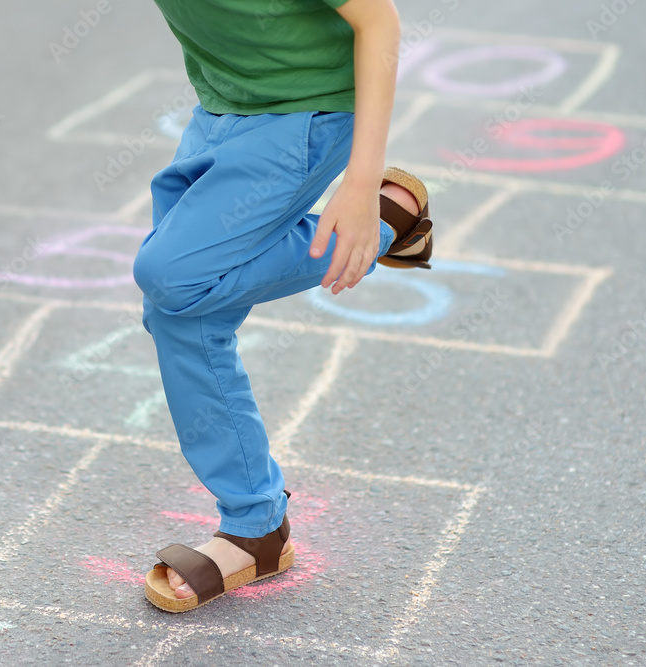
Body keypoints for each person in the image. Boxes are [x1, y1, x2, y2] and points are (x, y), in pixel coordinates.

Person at [133, 0, 433, 612]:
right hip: (219, 111)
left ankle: (377, 222)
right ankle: (255, 528)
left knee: (170, 275)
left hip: (307, 116)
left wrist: (359, 182)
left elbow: (378, 19)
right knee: (182, 318)